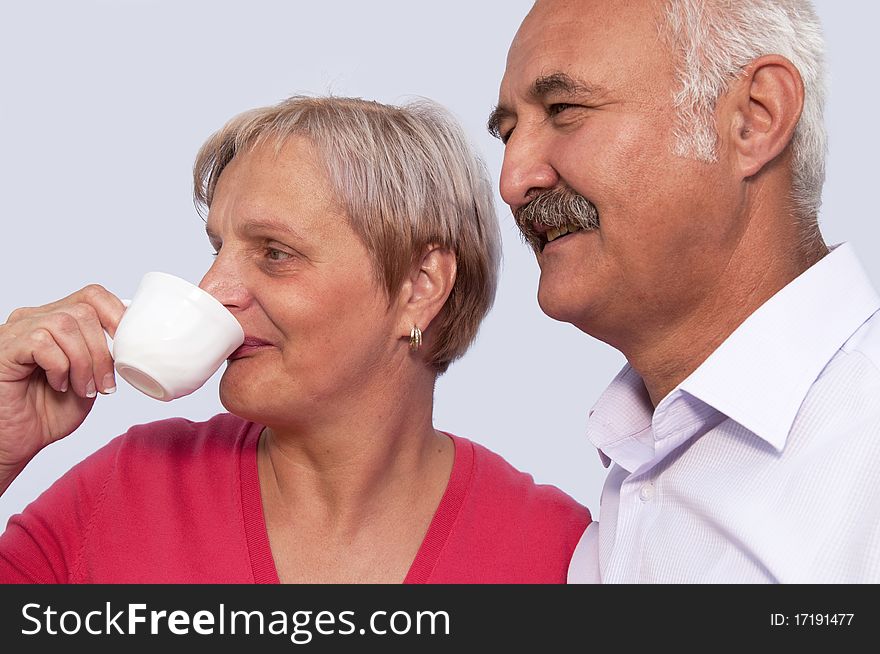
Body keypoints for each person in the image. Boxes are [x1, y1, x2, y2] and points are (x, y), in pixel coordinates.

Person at [0, 95, 590, 583]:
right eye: (217, 250)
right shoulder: (125, 490)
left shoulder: (560, 555)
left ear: (419, 285)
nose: (213, 289)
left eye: (275, 254)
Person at [490, 0, 880, 583]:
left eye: (565, 109)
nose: (513, 179)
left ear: (755, 119)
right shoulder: (630, 476)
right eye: (508, 132)